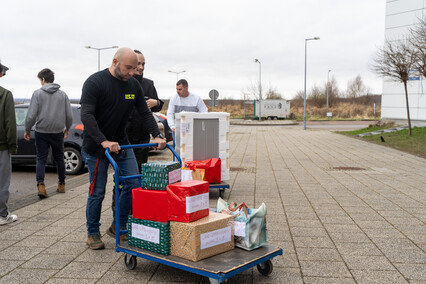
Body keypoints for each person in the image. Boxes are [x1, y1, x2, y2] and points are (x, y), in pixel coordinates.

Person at [80, 47, 166, 250]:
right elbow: (87, 115)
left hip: (122, 142)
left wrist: (157, 134)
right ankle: (93, 233)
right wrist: (103, 141)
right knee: (97, 192)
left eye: (134, 68)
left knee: (133, 183)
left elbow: (144, 113)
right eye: (128, 68)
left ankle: (118, 226)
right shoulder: (95, 82)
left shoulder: (133, 85)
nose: (132, 72)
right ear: (115, 61)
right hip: (97, 146)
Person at [25, 68, 73, 198]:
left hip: (41, 131)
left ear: (43, 79)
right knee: (59, 158)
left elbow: (31, 116)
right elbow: (69, 115)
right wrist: (67, 128)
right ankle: (61, 185)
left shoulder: (37, 94)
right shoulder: (63, 95)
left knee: (41, 158)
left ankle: (41, 185)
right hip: (57, 131)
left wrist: (27, 130)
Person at [126, 49, 164, 167]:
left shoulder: (148, 84)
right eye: (138, 64)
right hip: (125, 136)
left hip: (143, 136)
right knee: (125, 171)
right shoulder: (122, 84)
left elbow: (158, 107)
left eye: (143, 64)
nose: (141, 67)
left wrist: (155, 103)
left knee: (140, 170)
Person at [0, 60, 18, 225]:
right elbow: (10, 123)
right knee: (2, 181)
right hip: (1, 146)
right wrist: (12, 145)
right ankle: (2, 215)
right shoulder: (5, 94)